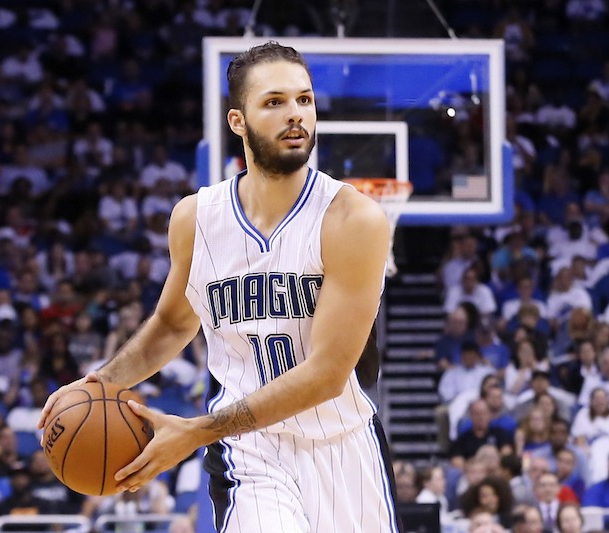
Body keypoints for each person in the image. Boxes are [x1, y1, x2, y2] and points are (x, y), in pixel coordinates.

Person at [39, 41, 398, 532]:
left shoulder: (353, 219)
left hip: (342, 447)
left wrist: (195, 432)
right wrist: (102, 382)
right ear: (237, 122)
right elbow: (171, 323)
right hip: (249, 453)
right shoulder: (196, 218)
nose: (295, 115)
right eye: (274, 102)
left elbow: (327, 374)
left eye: (304, 100)